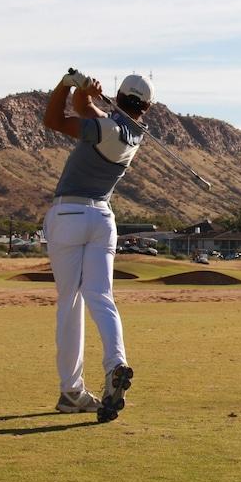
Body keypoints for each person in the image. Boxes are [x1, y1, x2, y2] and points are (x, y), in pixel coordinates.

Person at [42, 69, 154, 423]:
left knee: (70, 303)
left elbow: (54, 119)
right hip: (103, 219)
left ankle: (72, 390)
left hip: (70, 214)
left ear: (119, 98)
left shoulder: (107, 128)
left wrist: (68, 85)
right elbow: (89, 110)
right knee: (101, 296)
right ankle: (116, 364)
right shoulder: (131, 135)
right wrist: (87, 95)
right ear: (146, 109)